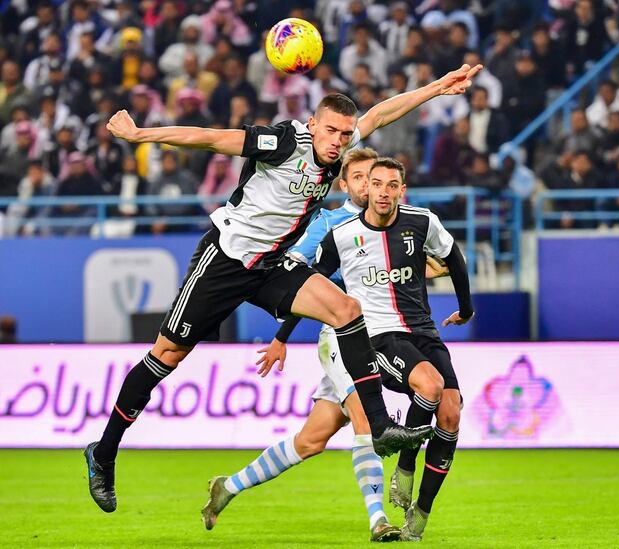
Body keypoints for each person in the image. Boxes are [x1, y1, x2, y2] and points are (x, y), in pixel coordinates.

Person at [84, 63, 483, 514]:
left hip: (272, 265)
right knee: (166, 357)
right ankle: (104, 452)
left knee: (347, 310)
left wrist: (436, 88)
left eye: (345, 133)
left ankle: (379, 425)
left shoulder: (343, 144)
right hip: (226, 261)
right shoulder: (283, 142)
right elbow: (214, 138)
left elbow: (383, 114)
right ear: (313, 125)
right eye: (330, 131)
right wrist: (141, 135)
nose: (338, 141)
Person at [201, 148, 448, 541]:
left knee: (311, 440)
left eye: (376, 177)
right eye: (362, 178)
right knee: (368, 419)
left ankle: (228, 486)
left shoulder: (395, 223)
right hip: (341, 336)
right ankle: (378, 520)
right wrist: (282, 335)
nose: (371, 186)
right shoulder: (328, 224)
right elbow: (301, 276)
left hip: (384, 336)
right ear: (346, 184)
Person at [266, 157, 473, 541]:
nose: (382, 192)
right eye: (375, 184)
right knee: (429, 386)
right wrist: (282, 336)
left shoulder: (421, 222)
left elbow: (454, 257)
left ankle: (420, 515)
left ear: (400, 190)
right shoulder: (341, 235)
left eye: (391, 185)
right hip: (376, 336)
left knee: (451, 409)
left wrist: (467, 307)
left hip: (422, 331)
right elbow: (308, 286)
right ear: (365, 190)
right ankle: (405, 469)